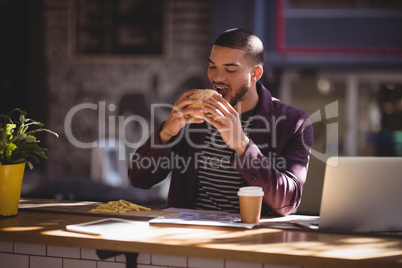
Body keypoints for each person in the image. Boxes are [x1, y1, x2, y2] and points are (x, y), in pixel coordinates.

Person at [128, 28, 313, 216]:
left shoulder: (294, 122)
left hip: (249, 239)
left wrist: (242, 145)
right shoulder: (193, 112)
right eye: (212, 66)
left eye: (230, 69)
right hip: (186, 235)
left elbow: (287, 203)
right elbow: (139, 179)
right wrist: (166, 132)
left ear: (255, 74)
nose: (216, 78)